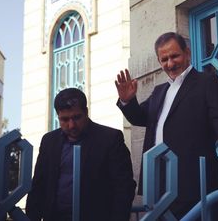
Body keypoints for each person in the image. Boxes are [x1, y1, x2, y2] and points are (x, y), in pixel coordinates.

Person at [115, 32, 218, 219]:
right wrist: (127, 101)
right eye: (164, 59)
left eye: (175, 56)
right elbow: (141, 118)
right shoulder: (160, 91)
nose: (170, 63)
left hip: (192, 178)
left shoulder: (206, 82)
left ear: (187, 53)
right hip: (158, 179)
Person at [26, 88, 136, 221]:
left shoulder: (110, 139)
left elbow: (124, 187)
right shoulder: (49, 141)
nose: (71, 125)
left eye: (76, 117)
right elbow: (38, 185)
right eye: (64, 119)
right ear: (58, 116)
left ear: (86, 112)